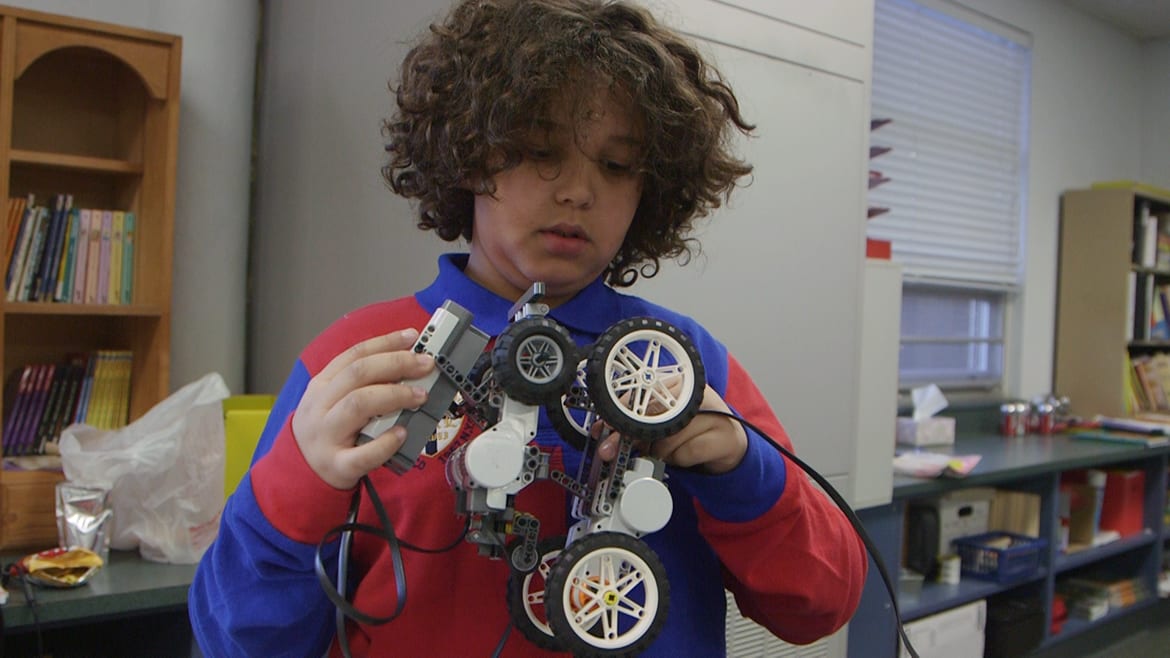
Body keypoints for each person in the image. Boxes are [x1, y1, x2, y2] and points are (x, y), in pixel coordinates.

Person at [188, 0, 868, 655]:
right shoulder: (360, 362)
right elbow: (238, 641)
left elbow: (823, 602)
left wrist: (741, 471)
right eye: (540, 148)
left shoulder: (679, 367)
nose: (577, 190)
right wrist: (294, 489)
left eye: (617, 164)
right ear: (468, 153)